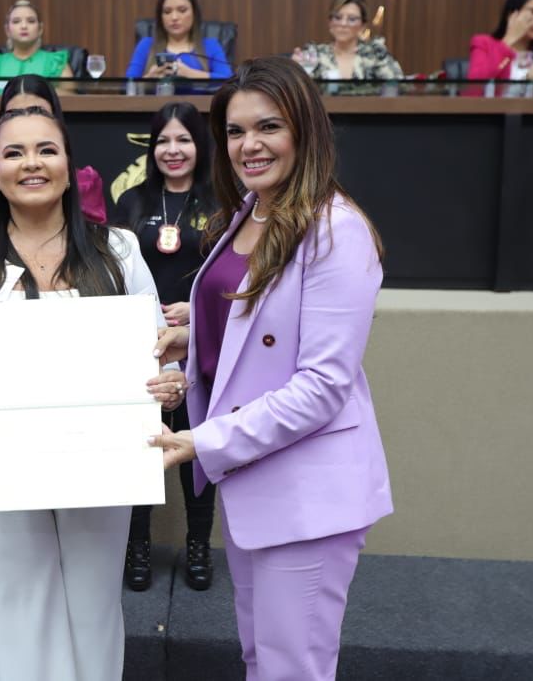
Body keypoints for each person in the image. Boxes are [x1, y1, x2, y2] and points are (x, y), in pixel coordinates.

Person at [0, 106, 182, 680]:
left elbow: (157, 350)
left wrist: (170, 387)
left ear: (69, 165)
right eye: (14, 153)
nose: (31, 163)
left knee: (94, 607)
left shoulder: (121, 250)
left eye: (46, 150)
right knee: (11, 607)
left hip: (99, 465)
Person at [149, 56, 393, 680]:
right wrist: (189, 342)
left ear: (305, 130)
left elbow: (320, 387)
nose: (248, 145)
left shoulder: (337, 230)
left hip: (307, 493)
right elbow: (253, 328)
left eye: (268, 127)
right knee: (263, 658)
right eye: (234, 131)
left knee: (293, 668)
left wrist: (200, 440)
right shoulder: (253, 210)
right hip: (257, 480)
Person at [111, 102, 218, 592]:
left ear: (201, 145)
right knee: (142, 444)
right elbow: (114, 274)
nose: (173, 151)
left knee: (196, 448)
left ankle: (199, 545)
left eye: (184, 140)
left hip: (202, 343)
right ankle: (138, 547)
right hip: (141, 345)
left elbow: (230, 277)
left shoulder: (224, 202)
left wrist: (197, 313)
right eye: (163, 142)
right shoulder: (130, 201)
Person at [0, 74, 106, 235]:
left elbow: (95, 241)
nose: (27, 120)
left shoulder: (85, 183)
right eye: (14, 114)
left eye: (39, 112)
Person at [291, 0, 403, 80]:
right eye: (337, 17)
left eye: (352, 19)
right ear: (330, 22)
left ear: (363, 25)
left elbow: (398, 87)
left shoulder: (375, 54)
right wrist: (294, 69)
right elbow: (299, 91)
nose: (343, 24)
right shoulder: (316, 53)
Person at [125, 0, 233, 80]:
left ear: (194, 13)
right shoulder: (146, 45)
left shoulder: (210, 46)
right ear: (160, 16)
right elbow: (126, 87)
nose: (174, 17)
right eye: (167, 12)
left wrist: (190, 74)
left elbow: (228, 82)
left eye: (182, 10)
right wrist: (149, 79)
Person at [0, 0, 74, 83]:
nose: (24, 26)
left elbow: (68, 101)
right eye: (16, 21)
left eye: (31, 21)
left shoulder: (56, 62)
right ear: (7, 30)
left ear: (40, 29)